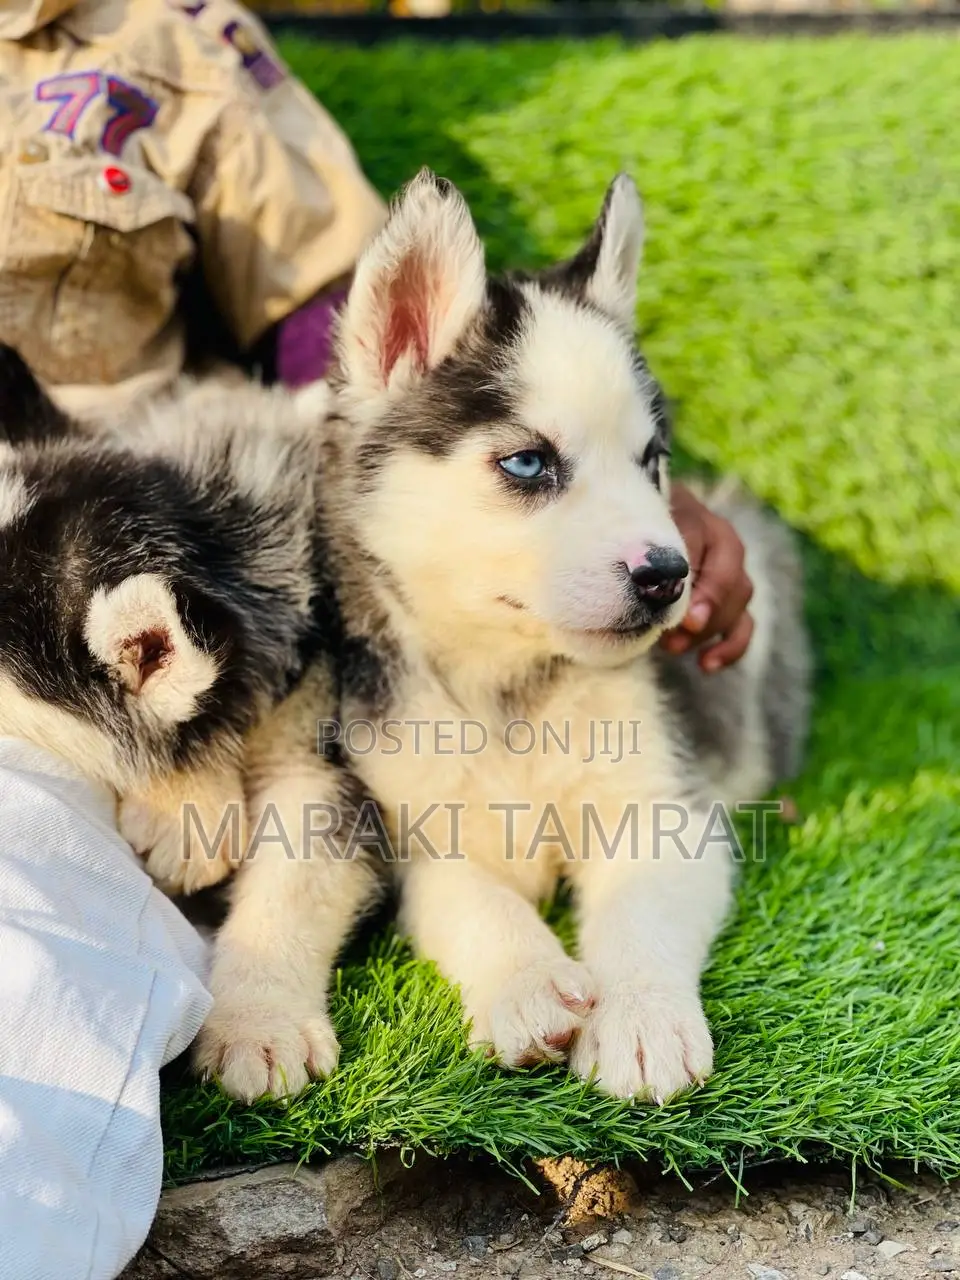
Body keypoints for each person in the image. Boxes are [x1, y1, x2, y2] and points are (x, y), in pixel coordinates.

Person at [0, 3, 755, 1277]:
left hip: (121, 601)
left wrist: (609, 479)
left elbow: (353, 350)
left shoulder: (160, 40)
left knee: (24, 935)